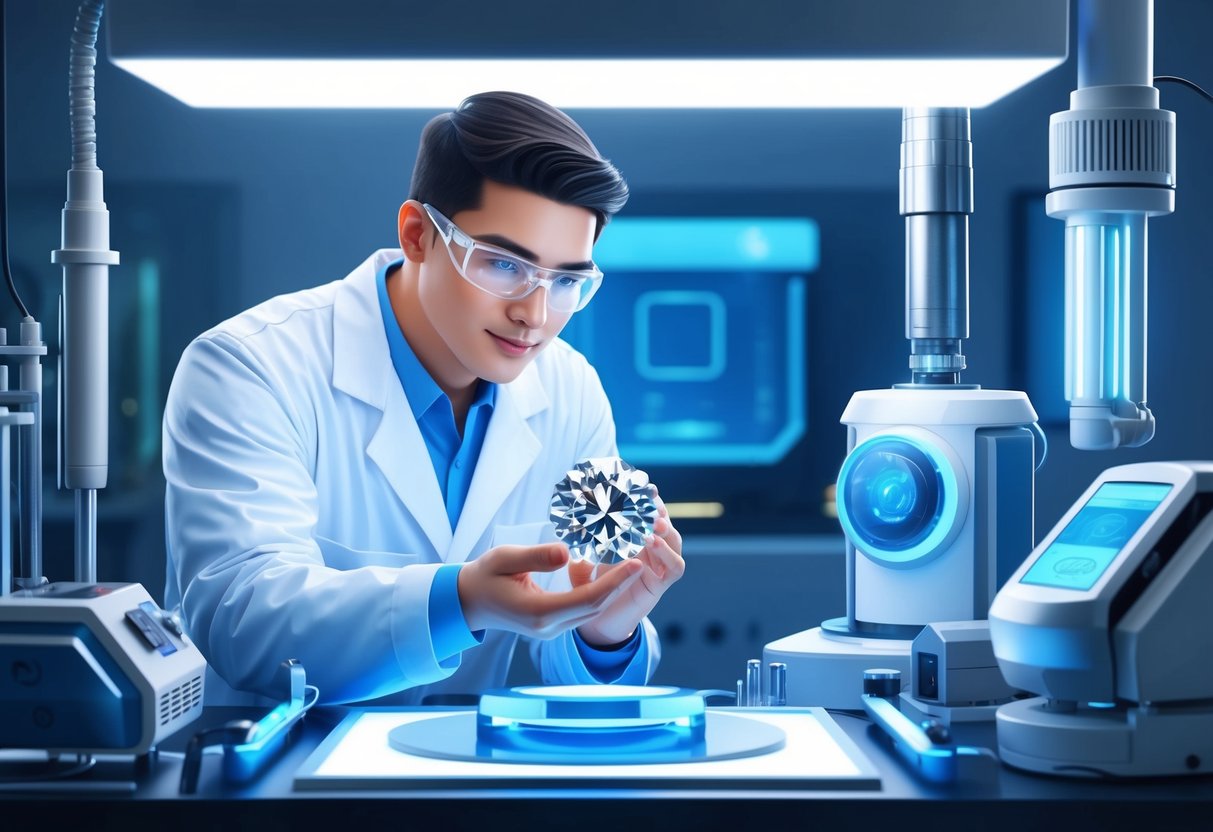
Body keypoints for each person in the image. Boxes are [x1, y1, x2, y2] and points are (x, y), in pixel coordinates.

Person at [162, 91, 685, 705]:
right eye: (502, 265)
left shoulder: (572, 391)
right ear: (417, 235)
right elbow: (244, 623)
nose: (535, 315)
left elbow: (567, 662)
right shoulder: (250, 367)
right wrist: (460, 600)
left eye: (567, 280)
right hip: (273, 778)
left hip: (460, 777)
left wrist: (603, 623)